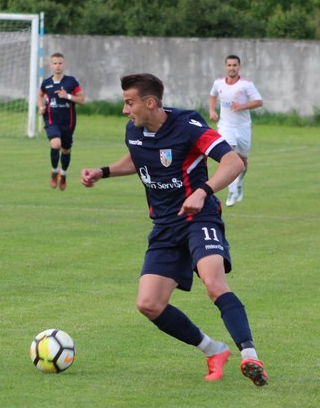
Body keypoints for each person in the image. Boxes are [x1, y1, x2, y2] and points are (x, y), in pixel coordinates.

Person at [81, 73, 267, 386]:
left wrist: (202, 191)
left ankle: (249, 355)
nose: (126, 110)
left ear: (150, 102)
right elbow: (139, 157)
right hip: (165, 227)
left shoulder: (188, 125)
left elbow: (234, 163)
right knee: (148, 303)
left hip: (199, 219)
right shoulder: (134, 130)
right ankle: (214, 350)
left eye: (130, 103)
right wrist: (103, 172)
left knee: (213, 282)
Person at [208, 54, 263, 207]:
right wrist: (212, 110)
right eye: (229, 65)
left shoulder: (246, 84)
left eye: (234, 65)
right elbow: (213, 95)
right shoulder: (218, 83)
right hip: (225, 127)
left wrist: (242, 106)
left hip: (243, 127)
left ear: (239, 67)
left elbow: (259, 101)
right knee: (228, 155)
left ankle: (239, 183)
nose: (232, 68)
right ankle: (232, 191)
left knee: (243, 161)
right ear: (225, 67)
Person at [38, 53, 85, 190]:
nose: (57, 66)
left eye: (60, 63)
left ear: (64, 65)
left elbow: (82, 100)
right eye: (55, 63)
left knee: (66, 150)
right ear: (51, 65)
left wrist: (68, 96)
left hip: (68, 122)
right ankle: (54, 171)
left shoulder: (71, 82)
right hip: (51, 120)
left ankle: (63, 174)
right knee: (55, 144)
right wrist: (41, 107)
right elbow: (40, 95)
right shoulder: (46, 83)